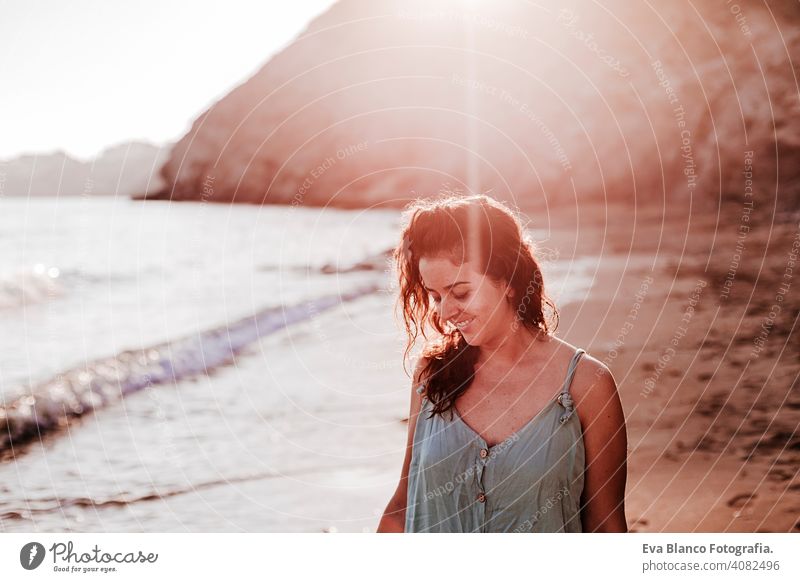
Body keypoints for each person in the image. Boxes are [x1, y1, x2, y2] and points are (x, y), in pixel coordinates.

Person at [377, 193, 628, 533]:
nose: (445, 312)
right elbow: (403, 506)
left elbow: (605, 525)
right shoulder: (432, 375)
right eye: (435, 297)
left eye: (461, 292)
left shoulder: (587, 384)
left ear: (508, 281)